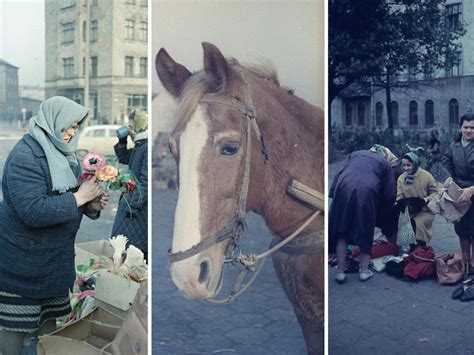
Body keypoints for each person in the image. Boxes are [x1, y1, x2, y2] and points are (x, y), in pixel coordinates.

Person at [0, 96, 109, 354]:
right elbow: (33, 211)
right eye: (68, 126)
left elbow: (66, 197)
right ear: (52, 121)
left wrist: (90, 205)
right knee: (14, 334)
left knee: (46, 334)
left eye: (75, 127)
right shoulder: (26, 155)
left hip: (51, 266)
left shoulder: (63, 154)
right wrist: (80, 197)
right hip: (22, 268)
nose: (72, 132)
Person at [329, 144, 396, 283]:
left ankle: (340, 272)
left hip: (343, 187)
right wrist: (386, 209)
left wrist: (333, 193)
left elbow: (338, 174)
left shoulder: (355, 153)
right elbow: (389, 193)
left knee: (343, 230)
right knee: (366, 230)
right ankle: (364, 271)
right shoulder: (385, 163)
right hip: (366, 191)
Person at [111, 109, 148, 260]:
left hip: (136, 210)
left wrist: (132, 206)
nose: (128, 127)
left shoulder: (145, 147)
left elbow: (146, 183)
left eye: (130, 124)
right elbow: (124, 157)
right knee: (125, 249)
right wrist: (122, 141)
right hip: (132, 204)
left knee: (130, 252)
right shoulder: (140, 145)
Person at [443, 113, 474, 274]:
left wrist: (472, 189)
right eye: (466, 127)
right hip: (459, 194)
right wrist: (448, 176)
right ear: (460, 128)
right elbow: (446, 162)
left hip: (472, 192)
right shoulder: (454, 146)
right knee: (462, 230)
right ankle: (466, 263)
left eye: (472, 127)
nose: (469, 130)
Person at [396, 152, 438, 248]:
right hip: (409, 211)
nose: (406, 168)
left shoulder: (426, 176)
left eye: (408, 165)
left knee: (415, 226)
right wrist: (404, 203)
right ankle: (414, 253)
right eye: (404, 165)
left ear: (415, 164)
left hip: (425, 211)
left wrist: (425, 200)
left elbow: (435, 192)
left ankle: (421, 251)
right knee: (407, 231)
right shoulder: (401, 178)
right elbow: (399, 196)